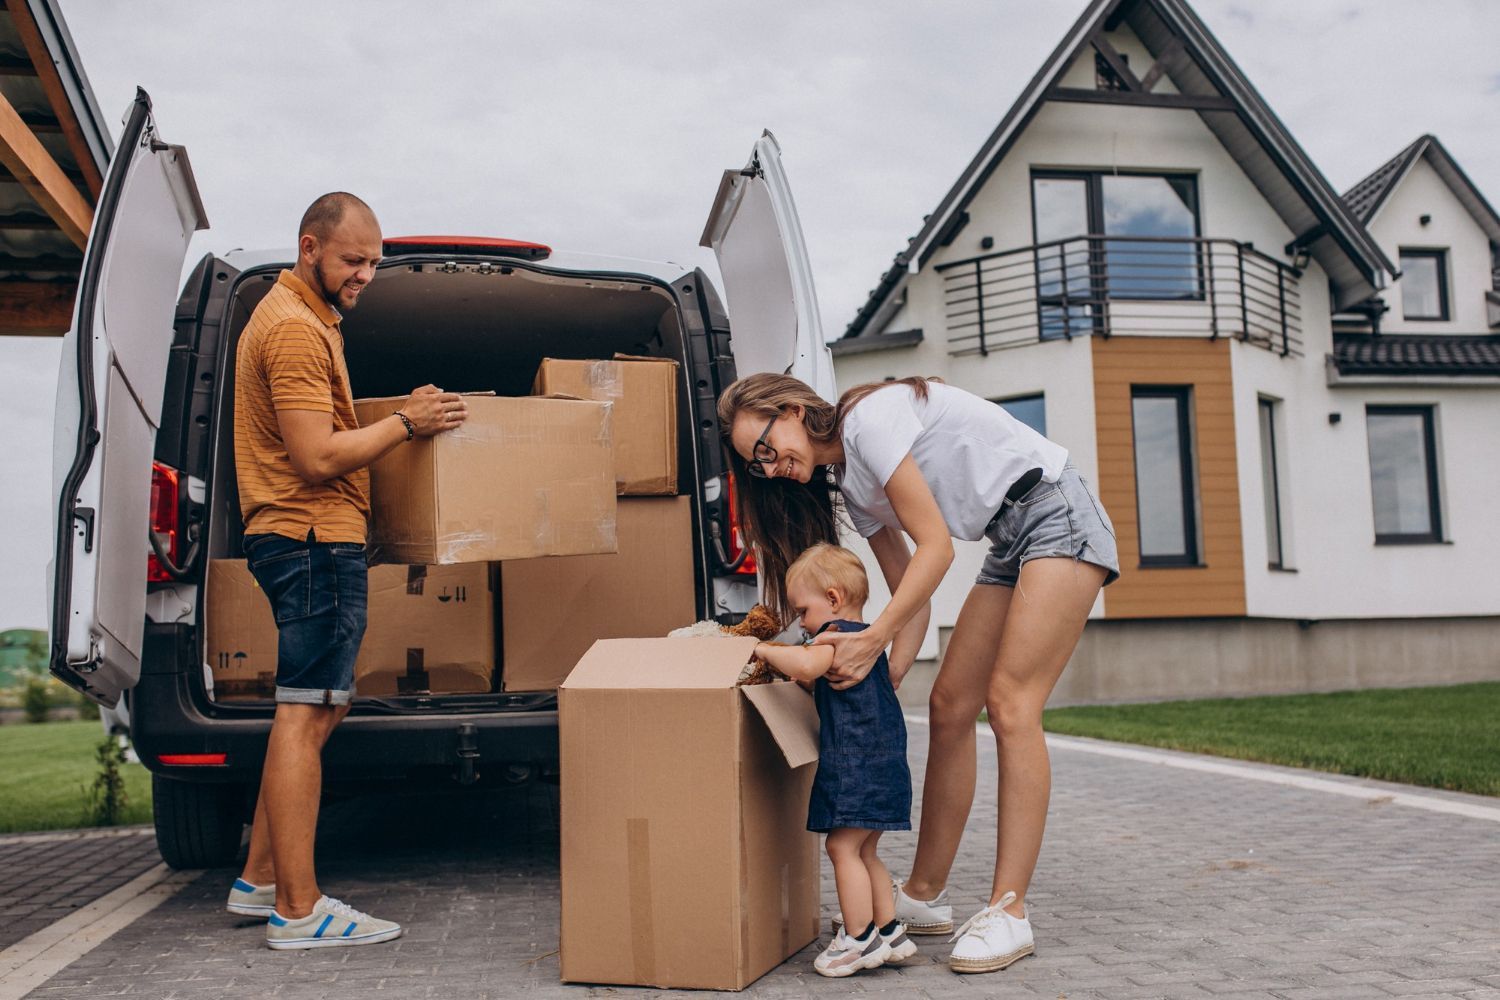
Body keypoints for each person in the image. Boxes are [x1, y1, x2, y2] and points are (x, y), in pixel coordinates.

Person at [718, 373, 1118, 975]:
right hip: (1009, 538)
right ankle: (925, 895)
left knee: (1011, 705)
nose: (770, 468)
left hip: (1056, 512)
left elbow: (937, 549)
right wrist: (886, 672)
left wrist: (874, 638)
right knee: (951, 704)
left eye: (767, 448)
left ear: (794, 410)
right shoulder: (851, 485)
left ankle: (1009, 911)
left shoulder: (870, 421)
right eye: (757, 465)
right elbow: (913, 589)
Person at [226, 192, 467, 949]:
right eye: (352, 261)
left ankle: (260, 878)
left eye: (373, 262)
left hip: (298, 538)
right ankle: (299, 911)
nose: (365, 275)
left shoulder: (295, 316)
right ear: (309, 249)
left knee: (313, 709)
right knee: (307, 712)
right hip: (309, 539)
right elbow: (317, 455)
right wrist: (406, 423)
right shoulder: (295, 330)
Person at [750, 543, 916, 979]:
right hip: (886, 765)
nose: (800, 623)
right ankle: (889, 930)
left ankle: (857, 939)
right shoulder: (868, 647)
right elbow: (816, 680)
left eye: (802, 610)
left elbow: (807, 664)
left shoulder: (835, 637)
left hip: (856, 766)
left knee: (841, 847)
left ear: (833, 599)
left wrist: (765, 651)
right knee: (865, 850)